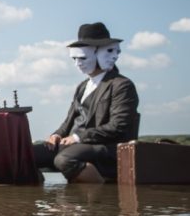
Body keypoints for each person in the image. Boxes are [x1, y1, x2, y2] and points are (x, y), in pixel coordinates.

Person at [33, 22, 139, 183]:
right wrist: (57, 135)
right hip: (73, 146)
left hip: (104, 147)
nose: (78, 63)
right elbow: (69, 121)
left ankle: (99, 197)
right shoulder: (82, 87)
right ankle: (38, 201)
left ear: (101, 53)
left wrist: (78, 137)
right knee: (25, 155)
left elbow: (118, 126)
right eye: (75, 58)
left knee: (64, 159)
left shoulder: (121, 85)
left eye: (82, 58)